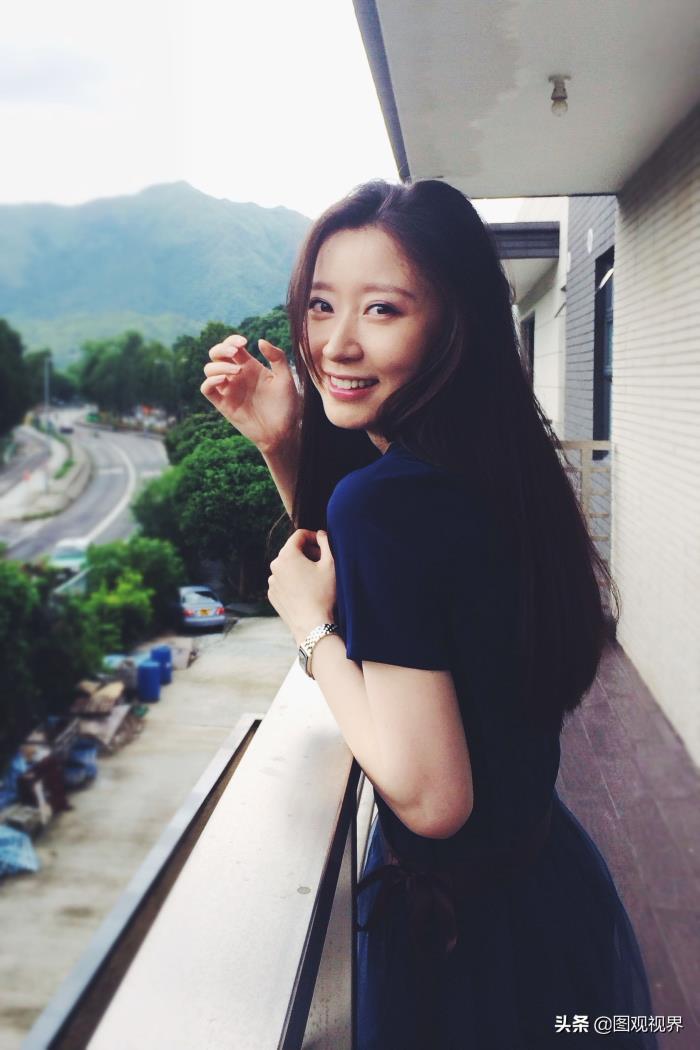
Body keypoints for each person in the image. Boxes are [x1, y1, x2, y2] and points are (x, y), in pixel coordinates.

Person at [201, 179, 659, 1050]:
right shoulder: (492, 464)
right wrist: (283, 444)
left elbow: (432, 796)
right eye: (321, 305)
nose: (335, 343)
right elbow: (396, 594)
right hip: (541, 889)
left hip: (464, 950)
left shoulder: (393, 500)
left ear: (454, 325)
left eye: (382, 309)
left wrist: (309, 631)